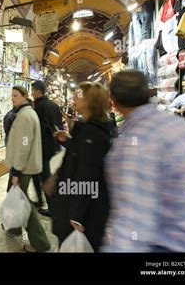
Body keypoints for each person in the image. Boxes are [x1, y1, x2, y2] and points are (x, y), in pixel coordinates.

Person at [103, 70, 185, 252]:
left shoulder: (133, 142)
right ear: (148, 92)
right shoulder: (179, 125)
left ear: (113, 101)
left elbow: (133, 221)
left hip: (167, 247)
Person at [50, 82, 112, 252]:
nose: (75, 98)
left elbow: (87, 174)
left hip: (81, 209)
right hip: (75, 201)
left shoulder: (92, 133)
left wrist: (77, 215)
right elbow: (84, 156)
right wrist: (69, 141)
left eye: (80, 95)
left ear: (91, 101)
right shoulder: (89, 129)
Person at [5, 86, 51, 253]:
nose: (12, 98)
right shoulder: (26, 113)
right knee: (17, 198)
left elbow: (24, 147)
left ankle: (40, 243)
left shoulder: (25, 116)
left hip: (23, 167)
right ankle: (14, 228)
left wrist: (16, 171)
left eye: (16, 96)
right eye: (12, 95)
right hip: (25, 166)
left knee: (23, 202)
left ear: (24, 96)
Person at [30, 81, 63, 217]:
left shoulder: (39, 107)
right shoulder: (54, 106)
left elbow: (38, 130)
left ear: (38, 91)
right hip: (52, 146)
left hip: (42, 147)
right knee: (39, 173)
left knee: (44, 176)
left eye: (32, 90)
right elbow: (59, 125)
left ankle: (52, 206)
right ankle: (40, 199)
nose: (31, 93)